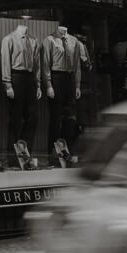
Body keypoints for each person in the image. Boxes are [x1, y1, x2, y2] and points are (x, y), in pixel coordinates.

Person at [0, 23, 41, 166]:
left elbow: (37, 64)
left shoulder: (34, 40)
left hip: (29, 79)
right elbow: (5, 62)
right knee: (15, 118)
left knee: (33, 117)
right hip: (15, 77)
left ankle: (24, 152)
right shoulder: (9, 39)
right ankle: (12, 158)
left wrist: (38, 85)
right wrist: (7, 84)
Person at [42, 26, 81, 164]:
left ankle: (66, 152)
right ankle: (51, 155)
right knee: (55, 117)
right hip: (56, 77)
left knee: (70, 118)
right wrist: (48, 85)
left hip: (69, 78)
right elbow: (45, 63)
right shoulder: (49, 40)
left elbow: (77, 65)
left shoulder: (74, 41)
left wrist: (77, 85)